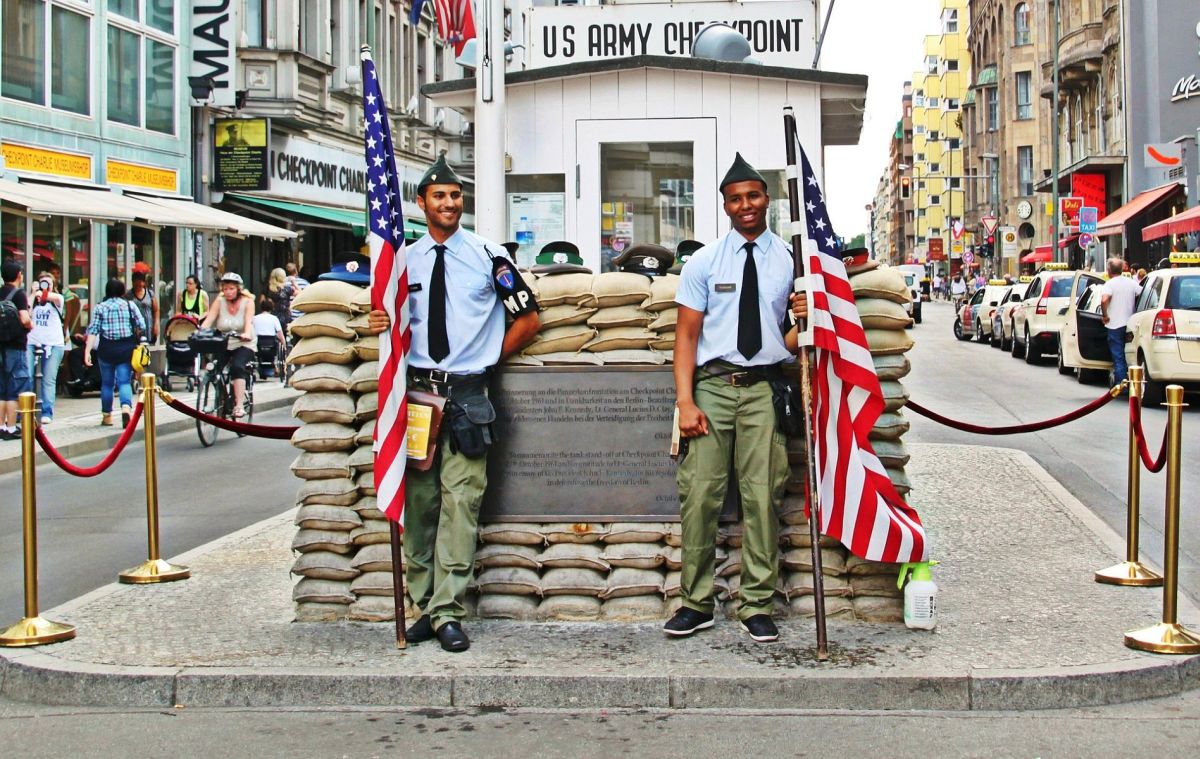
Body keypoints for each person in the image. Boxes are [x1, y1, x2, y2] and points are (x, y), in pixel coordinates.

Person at [366, 155, 540, 652]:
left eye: (456, 195)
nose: (449, 203)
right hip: (418, 395)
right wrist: (378, 323)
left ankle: (447, 611)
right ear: (421, 204)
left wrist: (485, 361)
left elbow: (528, 320)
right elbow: (390, 319)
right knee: (420, 506)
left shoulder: (489, 257)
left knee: (461, 504)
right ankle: (423, 603)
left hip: (466, 395)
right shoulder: (403, 261)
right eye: (439, 196)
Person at [664, 153, 808, 644]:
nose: (745, 205)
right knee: (700, 496)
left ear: (767, 199)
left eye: (753, 196)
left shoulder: (791, 261)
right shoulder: (706, 261)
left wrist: (803, 319)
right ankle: (696, 602)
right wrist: (685, 402)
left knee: (762, 498)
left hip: (764, 388)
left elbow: (786, 338)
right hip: (712, 388)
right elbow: (685, 337)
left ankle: (757, 604)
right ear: (724, 205)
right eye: (735, 199)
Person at [84, 279, 145, 427]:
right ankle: (126, 408)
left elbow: (93, 331)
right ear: (122, 291)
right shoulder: (130, 305)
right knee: (124, 381)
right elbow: (141, 325)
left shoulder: (100, 307)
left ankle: (107, 416)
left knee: (107, 384)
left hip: (106, 349)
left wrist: (87, 352)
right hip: (126, 348)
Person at [199, 272, 256, 418]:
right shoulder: (220, 301)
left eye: (231, 288)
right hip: (224, 341)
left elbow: (248, 321)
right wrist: (199, 333)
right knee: (214, 369)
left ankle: (238, 405)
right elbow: (209, 319)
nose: (228, 292)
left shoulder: (248, 301)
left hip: (244, 342)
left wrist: (246, 333)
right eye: (225, 289)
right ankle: (221, 399)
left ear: (238, 288)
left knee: (237, 367)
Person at [0, 261, 33, 440]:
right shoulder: (19, 295)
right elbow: (25, 318)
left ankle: (1, 426)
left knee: (2, 389)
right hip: (16, 346)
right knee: (14, 389)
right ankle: (12, 428)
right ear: (19, 275)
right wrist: (30, 325)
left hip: (1, 346)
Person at [27, 273, 65, 425]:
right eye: (42, 283)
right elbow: (26, 311)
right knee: (27, 376)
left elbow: (55, 298)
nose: (45, 286)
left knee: (48, 379)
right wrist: (33, 293)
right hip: (32, 342)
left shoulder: (57, 299)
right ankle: (27, 409)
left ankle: (47, 411)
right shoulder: (33, 300)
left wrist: (44, 293)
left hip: (53, 344)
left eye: (48, 283)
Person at [1099, 258, 1142, 388]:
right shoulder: (1131, 283)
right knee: (1131, 353)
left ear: (1109, 270)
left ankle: (1121, 384)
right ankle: (1134, 380)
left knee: (1118, 355)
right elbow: (1142, 293)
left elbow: (1104, 299)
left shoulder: (1109, 285)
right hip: (1131, 323)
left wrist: (1105, 315)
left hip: (1114, 325)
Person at [251, 297, 285, 379]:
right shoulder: (274, 318)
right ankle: (276, 368)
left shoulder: (255, 318)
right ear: (271, 308)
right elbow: (280, 333)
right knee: (276, 346)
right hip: (271, 344)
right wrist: (284, 344)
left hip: (258, 344)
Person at [127, 270, 159, 343]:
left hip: (148, 327)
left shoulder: (150, 294)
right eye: (136, 285)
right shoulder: (128, 295)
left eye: (140, 284)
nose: (138, 287)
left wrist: (156, 324)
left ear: (144, 283)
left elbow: (156, 310)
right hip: (134, 329)